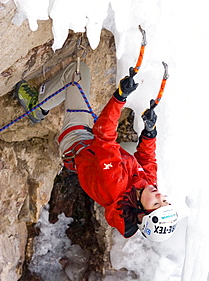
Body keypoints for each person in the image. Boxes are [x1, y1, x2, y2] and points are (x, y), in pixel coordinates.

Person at [15, 61, 178, 242]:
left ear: (140, 214)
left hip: (77, 142)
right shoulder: (146, 189)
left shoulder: (115, 185)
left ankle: (37, 107)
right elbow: (147, 160)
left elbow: (103, 134)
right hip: (98, 157)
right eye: (165, 200)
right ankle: (99, 161)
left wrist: (119, 98)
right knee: (132, 151)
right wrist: (149, 133)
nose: (159, 195)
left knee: (78, 72)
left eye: (156, 203)